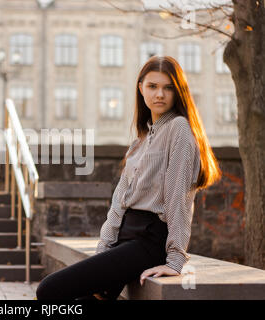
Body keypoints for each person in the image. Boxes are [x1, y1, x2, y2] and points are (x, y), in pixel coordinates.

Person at [36, 56, 222, 300]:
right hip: (124, 239)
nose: (160, 95)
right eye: (153, 86)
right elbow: (119, 203)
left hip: (149, 241)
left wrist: (175, 260)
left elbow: (179, 197)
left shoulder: (179, 128)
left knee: (48, 290)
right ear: (140, 88)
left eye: (168, 88)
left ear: (178, 92)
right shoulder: (139, 142)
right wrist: (104, 248)